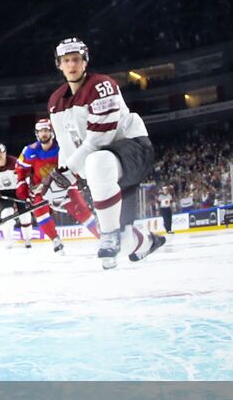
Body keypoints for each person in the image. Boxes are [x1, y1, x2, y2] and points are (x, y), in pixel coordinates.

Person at [47, 37, 166, 268]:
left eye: (76, 60)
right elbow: (67, 145)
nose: (72, 65)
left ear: (85, 62)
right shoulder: (55, 102)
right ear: (59, 64)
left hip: (132, 148)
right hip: (101, 161)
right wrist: (62, 178)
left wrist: (68, 176)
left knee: (97, 161)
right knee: (123, 237)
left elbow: (100, 140)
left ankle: (108, 234)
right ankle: (142, 241)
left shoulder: (102, 86)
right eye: (66, 60)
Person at [15, 118, 65, 252]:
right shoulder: (29, 150)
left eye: (46, 130)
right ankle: (55, 240)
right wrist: (22, 185)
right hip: (42, 189)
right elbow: (20, 170)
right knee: (39, 210)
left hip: (63, 184)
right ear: (37, 133)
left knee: (79, 208)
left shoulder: (63, 146)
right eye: (41, 131)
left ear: (52, 132)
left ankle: (100, 233)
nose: (44, 133)